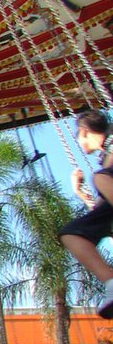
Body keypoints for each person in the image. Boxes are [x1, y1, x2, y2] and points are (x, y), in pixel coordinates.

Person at [59, 110, 113, 318]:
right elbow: (100, 208)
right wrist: (79, 192)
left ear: (84, 132)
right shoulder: (104, 160)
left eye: (78, 137)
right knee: (71, 233)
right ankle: (111, 283)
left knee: (100, 178)